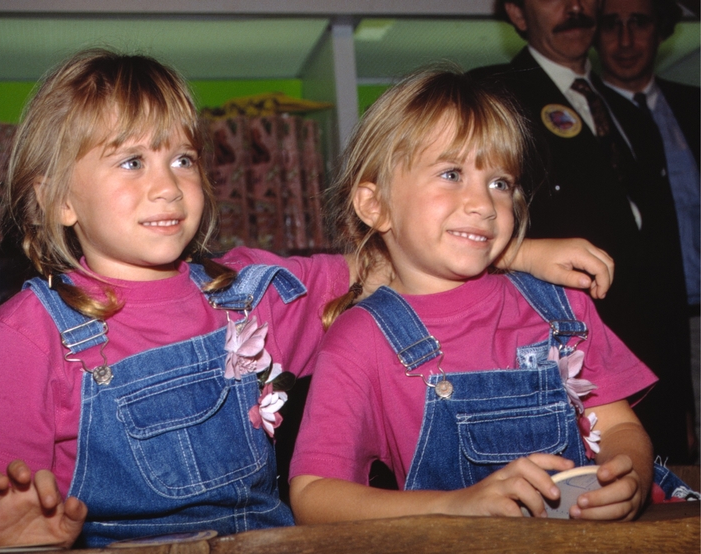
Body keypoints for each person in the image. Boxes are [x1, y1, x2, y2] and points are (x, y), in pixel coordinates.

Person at [0, 49, 616, 549]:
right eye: (131, 162)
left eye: (182, 159)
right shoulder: (28, 330)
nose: (167, 185)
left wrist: (514, 253)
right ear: (57, 199)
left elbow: (391, 257)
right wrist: (29, 538)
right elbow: (3, 502)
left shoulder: (250, 294)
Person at [288, 69, 694, 526]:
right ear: (374, 204)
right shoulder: (361, 339)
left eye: (500, 183)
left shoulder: (559, 308)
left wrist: (630, 478)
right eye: (451, 173)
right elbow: (313, 495)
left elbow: (619, 428)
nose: (484, 203)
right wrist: (454, 505)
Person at [471, 0, 693, 463]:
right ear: (516, 12)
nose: (575, 7)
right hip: (560, 364)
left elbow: (663, 266)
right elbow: (454, 228)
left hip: (652, 369)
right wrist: (520, 252)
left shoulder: (628, 111)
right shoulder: (494, 95)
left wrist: (681, 402)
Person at [595, 0, 700, 460]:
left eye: (637, 23)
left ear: (660, 29)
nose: (624, 40)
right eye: (610, 25)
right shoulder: (586, 117)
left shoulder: (693, 106)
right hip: (638, 325)